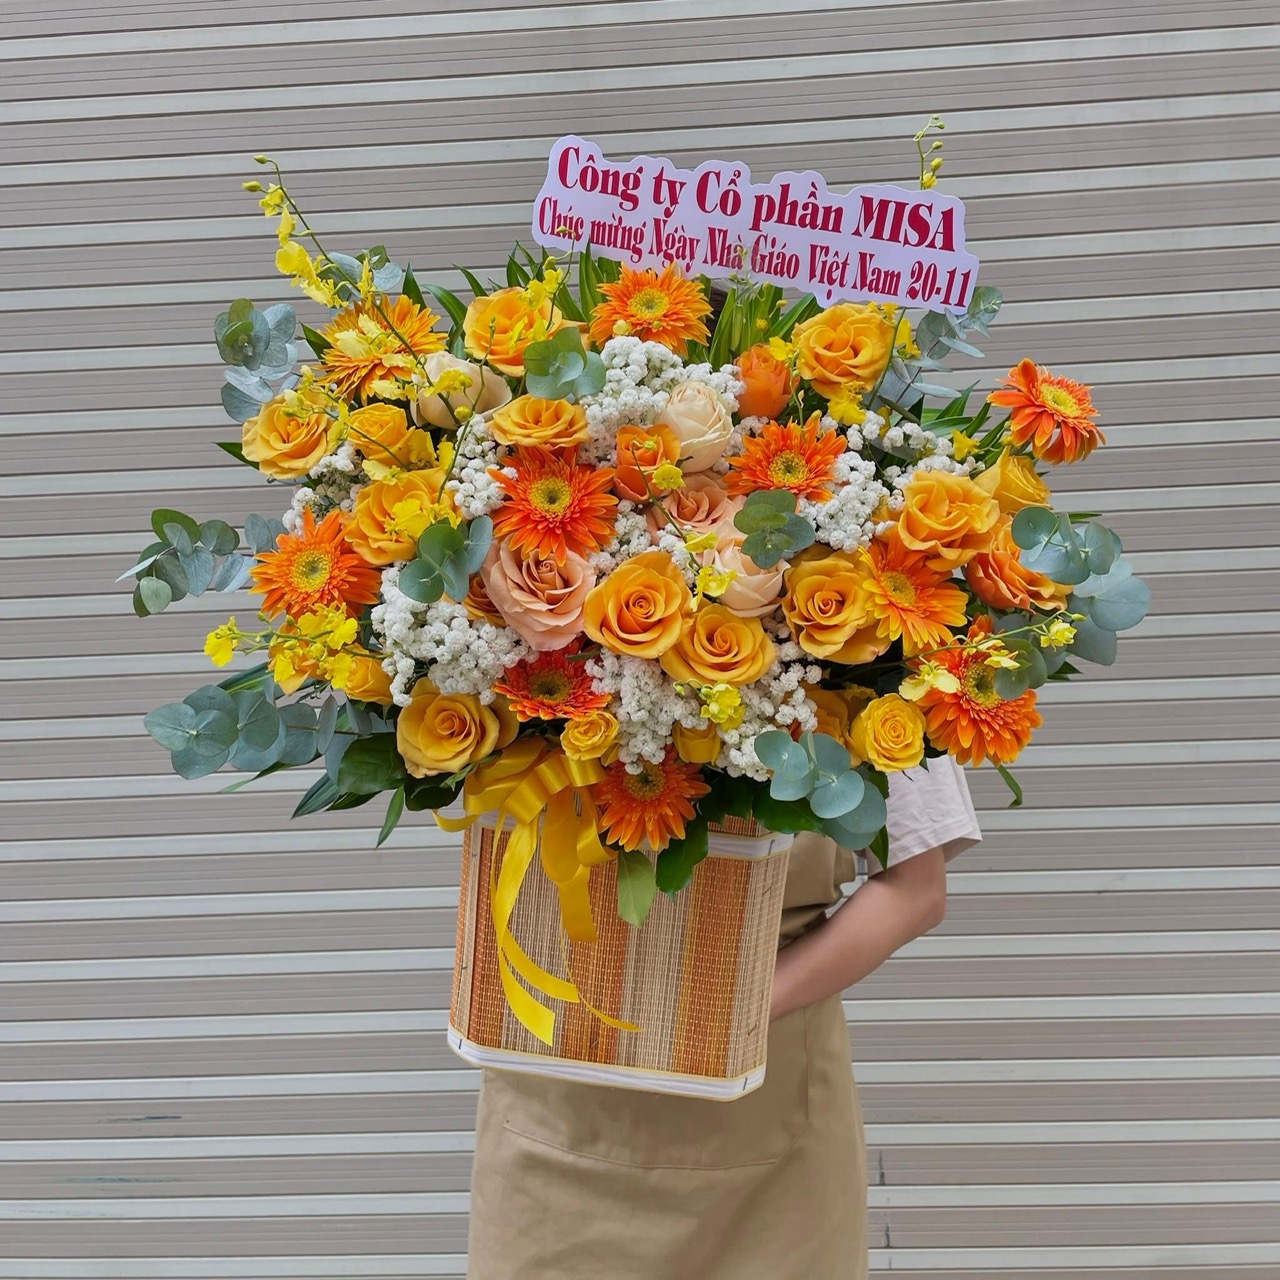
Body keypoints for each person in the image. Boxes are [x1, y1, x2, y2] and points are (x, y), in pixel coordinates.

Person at [467, 755, 981, 1279]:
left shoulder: (882, 700)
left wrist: (733, 1010)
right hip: (553, 1117)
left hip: (767, 1122)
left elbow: (915, 891)